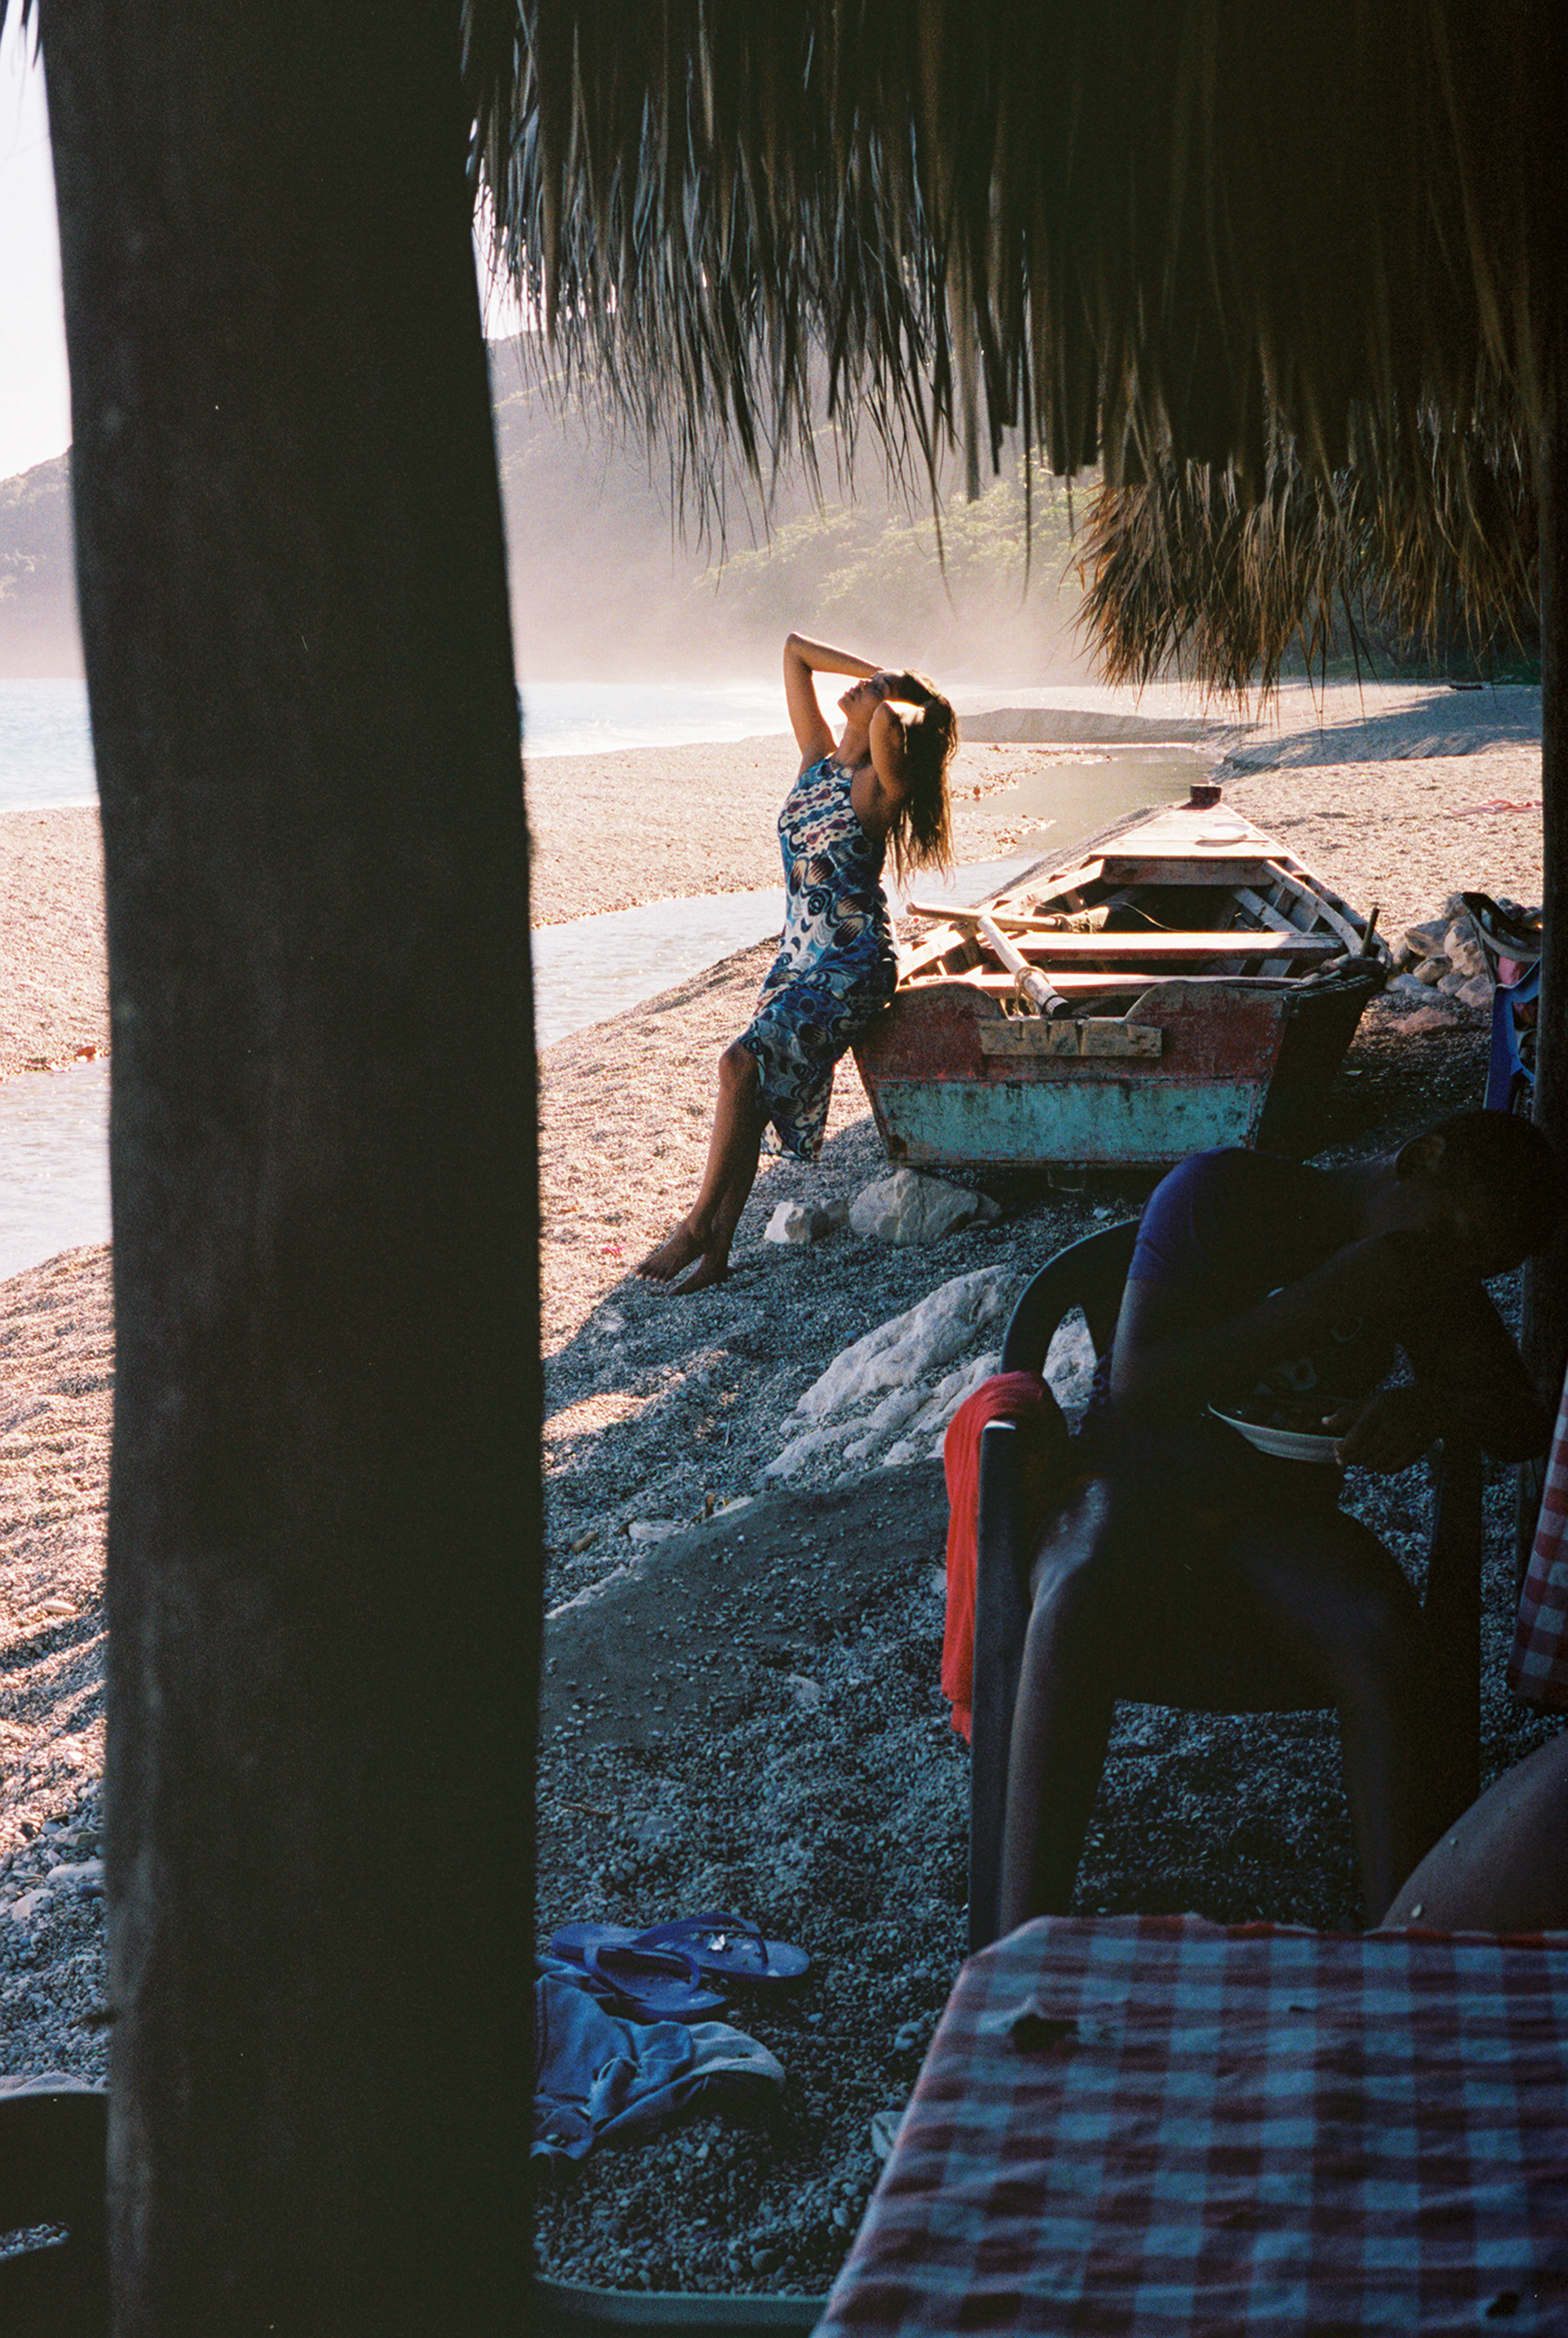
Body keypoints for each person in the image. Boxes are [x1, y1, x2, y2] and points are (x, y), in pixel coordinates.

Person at [990, 1111, 1561, 1932]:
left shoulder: (1425, 1266)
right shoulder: (1223, 1193)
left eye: (1477, 1265)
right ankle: (1017, 1943)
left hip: (1275, 1516)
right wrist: (1330, 1294)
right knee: (1076, 1592)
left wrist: (1431, 1406)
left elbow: (1522, 1419)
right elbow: (1142, 1382)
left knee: (1384, 1631)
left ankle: (1406, 1946)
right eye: (1450, 1235)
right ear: (1420, 1156)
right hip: (1133, 1482)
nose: (1451, 1265)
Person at [638, 631, 957, 1294]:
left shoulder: (878, 785)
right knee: (750, 1092)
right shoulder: (816, 760)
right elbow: (794, 651)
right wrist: (880, 674)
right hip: (798, 956)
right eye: (867, 683)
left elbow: (895, 721)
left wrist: (902, 696)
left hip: (853, 962)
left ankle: (696, 1225)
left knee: (737, 1064)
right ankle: (718, 1255)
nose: (862, 687)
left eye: (875, 691)